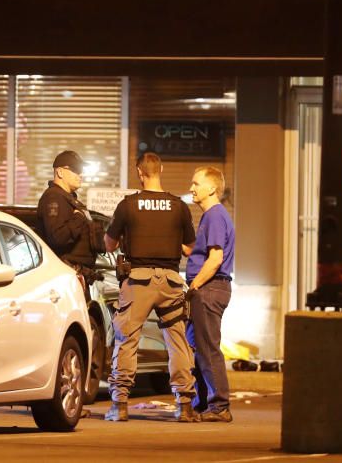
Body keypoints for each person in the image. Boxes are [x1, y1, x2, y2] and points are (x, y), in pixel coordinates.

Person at [103, 152, 199, 423]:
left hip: (138, 281)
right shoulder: (178, 206)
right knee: (177, 341)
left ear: (139, 173)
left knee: (127, 340)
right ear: (161, 170)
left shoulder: (128, 205)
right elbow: (190, 248)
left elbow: (109, 244)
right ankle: (184, 405)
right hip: (170, 281)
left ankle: (119, 405)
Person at [184, 166, 236, 423]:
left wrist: (194, 287)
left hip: (209, 288)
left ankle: (220, 406)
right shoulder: (211, 217)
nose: (191, 188)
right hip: (209, 288)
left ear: (212, 188)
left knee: (207, 348)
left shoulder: (215, 216)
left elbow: (215, 259)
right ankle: (203, 402)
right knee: (196, 347)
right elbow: (200, 252)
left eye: (196, 183)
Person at [36, 150, 99, 289]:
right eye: (75, 170)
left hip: (73, 275)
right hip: (65, 277)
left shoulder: (67, 199)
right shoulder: (54, 198)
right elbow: (57, 237)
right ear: (60, 172)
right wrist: (78, 218)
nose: (80, 174)